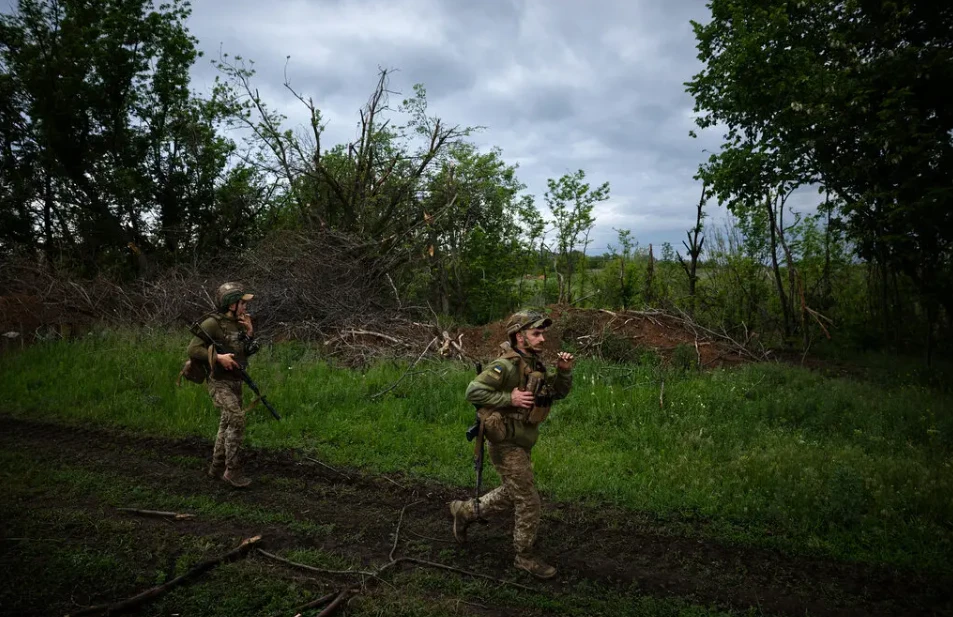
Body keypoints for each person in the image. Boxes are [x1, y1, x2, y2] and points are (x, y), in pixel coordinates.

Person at [449, 309, 574, 579]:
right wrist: (510, 399)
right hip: (505, 441)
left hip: (523, 439)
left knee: (514, 491)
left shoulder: (535, 364)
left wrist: (563, 373)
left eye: (543, 334)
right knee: (529, 500)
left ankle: (465, 511)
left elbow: (556, 393)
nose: (543, 339)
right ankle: (524, 556)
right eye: (536, 333)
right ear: (520, 336)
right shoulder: (504, 365)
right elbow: (472, 390)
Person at [187, 282, 260, 488]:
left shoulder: (239, 323)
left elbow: (246, 351)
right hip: (219, 381)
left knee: (226, 423)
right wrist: (218, 357)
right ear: (231, 305)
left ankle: (216, 468)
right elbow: (193, 350)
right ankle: (232, 471)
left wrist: (250, 332)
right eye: (242, 303)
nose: (245, 307)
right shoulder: (212, 324)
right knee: (237, 419)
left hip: (236, 381)